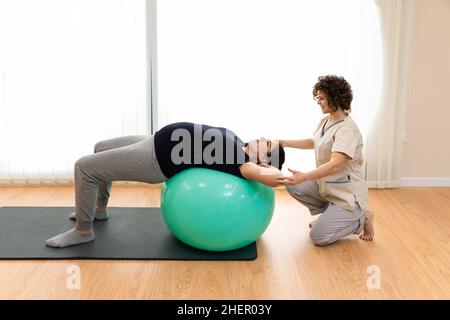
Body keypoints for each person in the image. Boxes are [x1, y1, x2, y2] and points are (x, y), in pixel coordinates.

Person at [45, 122, 286, 248]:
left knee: (84, 167)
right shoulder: (239, 142)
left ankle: (82, 231)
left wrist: (297, 178)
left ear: (263, 162)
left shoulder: (243, 162)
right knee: (100, 147)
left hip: (154, 160)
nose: (263, 139)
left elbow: (269, 177)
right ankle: (98, 209)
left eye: (267, 147)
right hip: (154, 141)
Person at [278, 75, 374, 246]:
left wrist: (305, 176)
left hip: (347, 195)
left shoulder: (346, 130)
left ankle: (361, 218)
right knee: (291, 184)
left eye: (322, 98)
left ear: (334, 97)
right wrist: (284, 142)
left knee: (318, 237)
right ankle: (333, 217)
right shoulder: (327, 120)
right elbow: (316, 142)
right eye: (318, 97)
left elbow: (336, 163)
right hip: (329, 187)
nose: (318, 102)